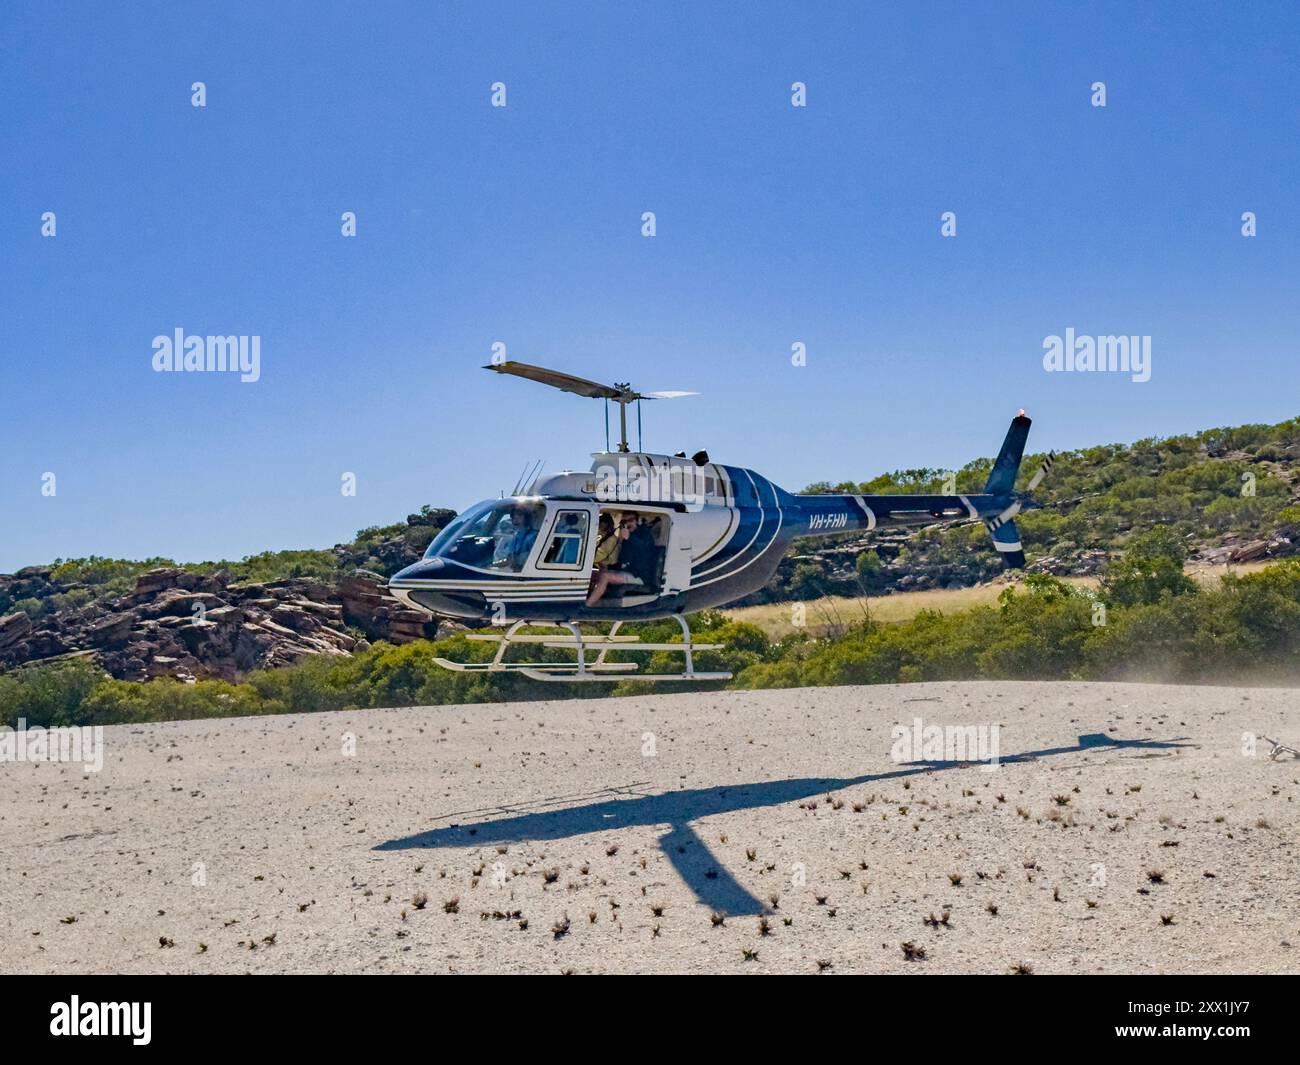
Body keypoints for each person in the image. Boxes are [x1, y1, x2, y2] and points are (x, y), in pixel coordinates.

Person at [586, 512, 657, 607]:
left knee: (605, 576)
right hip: (628, 571)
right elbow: (622, 559)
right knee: (593, 573)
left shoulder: (644, 535)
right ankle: (584, 598)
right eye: (624, 522)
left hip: (640, 576)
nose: (627, 524)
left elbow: (642, 549)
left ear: (637, 521)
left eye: (630, 520)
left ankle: (587, 605)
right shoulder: (626, 538)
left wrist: (629, 538)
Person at [492, 505, 538, 570]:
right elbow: (509, 559)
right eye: (514, 515)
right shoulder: (516, 536)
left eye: (520, 515)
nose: (515, 517)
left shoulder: (533, 536)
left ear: (527, 518)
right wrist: (491, 565)